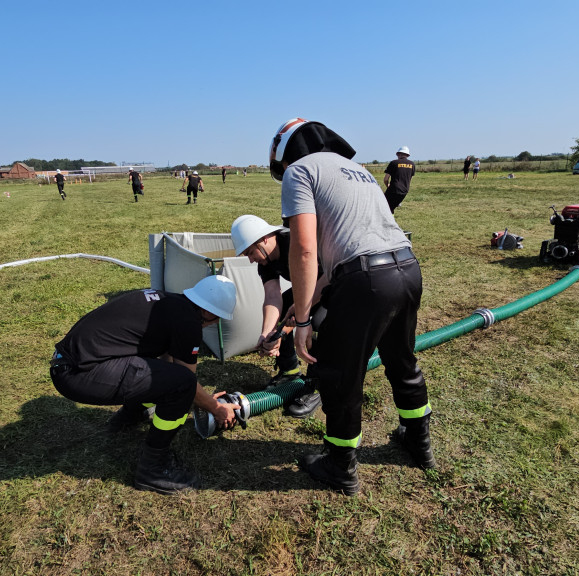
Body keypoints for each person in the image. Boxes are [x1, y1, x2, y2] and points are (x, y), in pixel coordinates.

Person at [268, 118, 435, 496]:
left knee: (341, 375)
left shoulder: (300, 171)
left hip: (366, 280)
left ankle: (340, 465)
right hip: (406, 268)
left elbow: (306, 249)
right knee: (402, 361)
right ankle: (419, 442)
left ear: (284, 152)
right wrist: (311, 300)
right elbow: (343, 257)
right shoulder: (357, 171)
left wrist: (305, 319)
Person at [50, 275, 240, 494]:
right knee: (182, 385)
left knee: (165, 376)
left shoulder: (169, 302)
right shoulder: (188, 320)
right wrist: (217, 408)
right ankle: (153, 468)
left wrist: (204, 400)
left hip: (70, 363)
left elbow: (167, 364)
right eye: (216, 319)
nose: (214, 324)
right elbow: (187, 382)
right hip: (78, 374)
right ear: (207, 312)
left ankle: (130, 415)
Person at [230, 214, 326, 417]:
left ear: (264, 239)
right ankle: (289, 371)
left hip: (331, 286)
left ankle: (317, 385)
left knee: (319, 322)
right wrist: (268, 333)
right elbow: (272, 296)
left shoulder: (296, 242)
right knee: (281, 310)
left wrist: (298, 321)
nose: (250, 259)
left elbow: (320, 282)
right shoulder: (265, 262)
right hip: (307, 289)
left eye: (250, 252)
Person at [382, 146, 416, 213]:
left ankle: (389, 222)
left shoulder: (394, 163)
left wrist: (388, 185)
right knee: (391, 207)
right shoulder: (412, 164)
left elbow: (386, 179)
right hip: (404, 191)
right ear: (407, 155)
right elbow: (409, 179)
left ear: (398, 154)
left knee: (385, 207)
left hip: (394, 189)